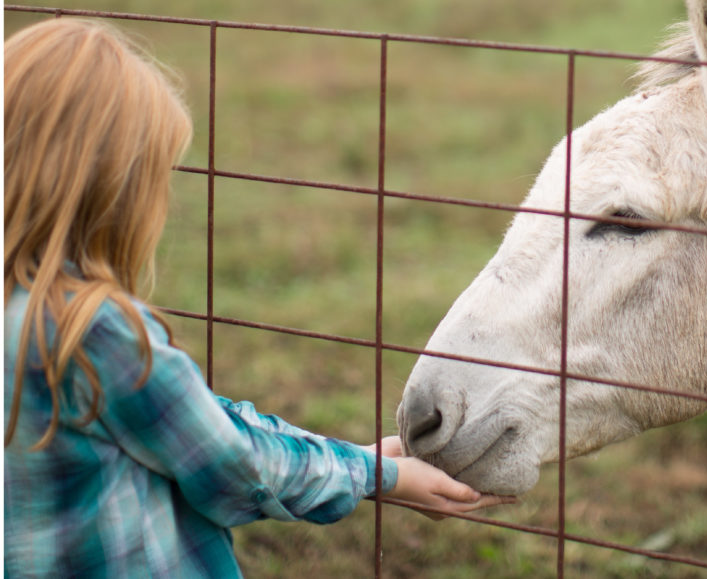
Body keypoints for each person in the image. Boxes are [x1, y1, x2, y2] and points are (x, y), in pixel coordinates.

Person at [4, 18, 511, 577]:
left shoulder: (20, 309)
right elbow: (229, 458)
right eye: (154, 177)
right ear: (110, 189)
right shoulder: (93, 329)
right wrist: (376, 476)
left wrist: (357, 459)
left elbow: (192, 420)